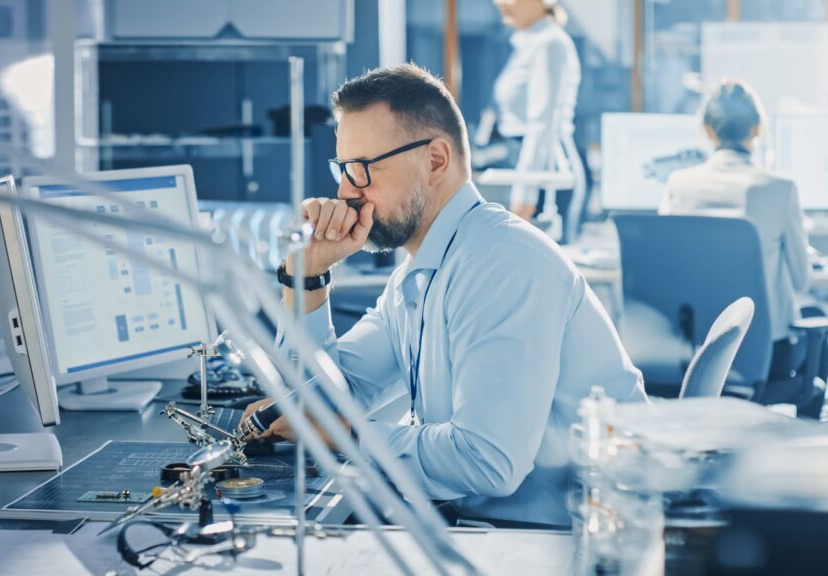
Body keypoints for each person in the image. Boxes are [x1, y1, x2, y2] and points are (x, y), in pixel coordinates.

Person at [243, 64, 645, 528]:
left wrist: (346, 433)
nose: (344, 192)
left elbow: (487, 462)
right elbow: (312, 400)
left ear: (436, 160)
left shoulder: (502, 262)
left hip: (561, 541)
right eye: (343, 169)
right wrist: (307, 275)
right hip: (481, 523)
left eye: (362, 169)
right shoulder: (420, 273)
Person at [659, 81, 813, 407]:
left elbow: (668, 273)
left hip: (693, 353)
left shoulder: (679, 184)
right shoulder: (780, 188)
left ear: (707, 131)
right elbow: (802, 281)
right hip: (767, 360)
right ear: (757, 130)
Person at [488, 0, 583, 225]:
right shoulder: (527, 44)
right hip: (527, 164)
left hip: (543, 171)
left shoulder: (549, 44)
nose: (500, 2)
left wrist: (525, 190)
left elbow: (544, 124)